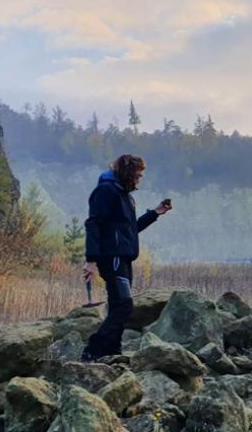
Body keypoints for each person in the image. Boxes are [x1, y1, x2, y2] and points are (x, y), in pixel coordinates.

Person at [80, 154, 171, 361]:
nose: (140, 177)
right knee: (124, 305)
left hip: (124, 258)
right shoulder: (106, 190)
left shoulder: (125, 196)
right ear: (128, 171)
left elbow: (130, 230)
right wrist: (91, 260)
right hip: (112, 258)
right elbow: (93, 223)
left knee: (117, 304)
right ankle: (93, 350)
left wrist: (155, 213)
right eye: (139, 172)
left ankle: (112, 351)